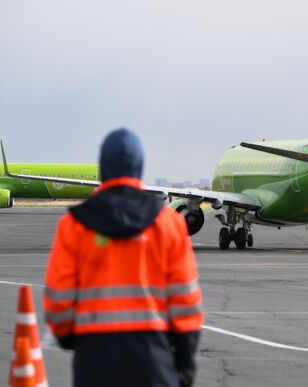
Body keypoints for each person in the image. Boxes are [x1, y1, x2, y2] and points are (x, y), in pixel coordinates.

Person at [44, 128, 203, 387]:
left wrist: (71, 339)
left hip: (94, 364)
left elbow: (58, 302)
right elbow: (186, 304)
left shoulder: (73, 225)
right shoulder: (169, 224)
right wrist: (185, 366)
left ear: (103, 167)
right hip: (154, 364)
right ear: (139, 168)